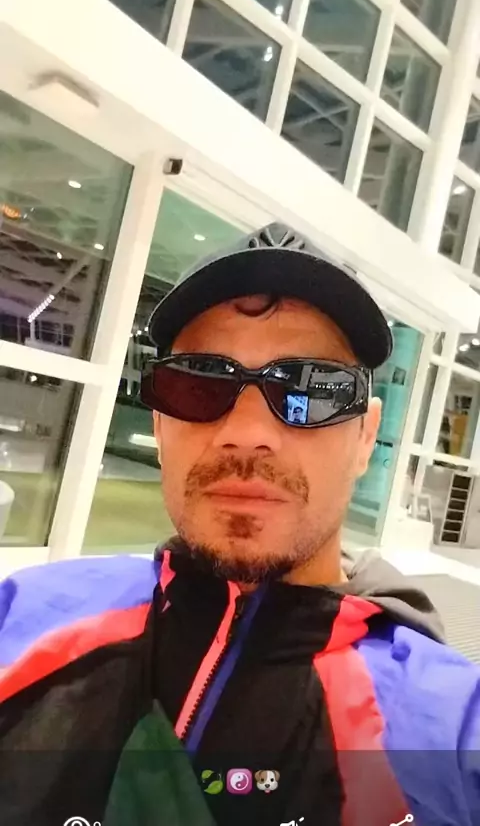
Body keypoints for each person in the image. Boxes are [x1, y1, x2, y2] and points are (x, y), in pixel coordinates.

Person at [0, 223, 479, 826]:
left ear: (365, 436)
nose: (248, 433)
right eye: (200, 384)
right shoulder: (21, 621)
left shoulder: (450, 734)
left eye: (308, 391)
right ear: (160, 422)